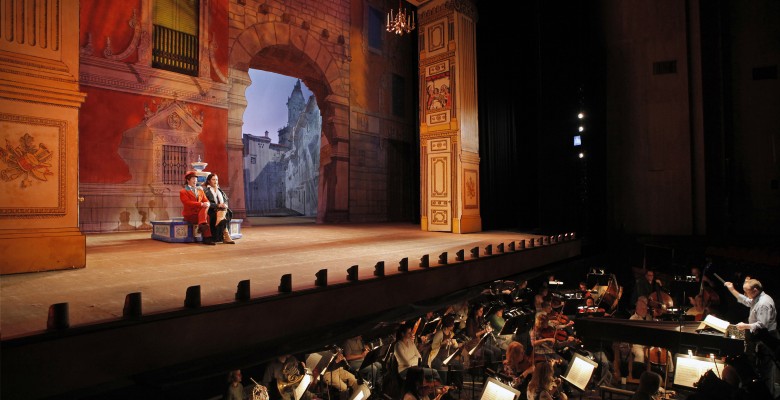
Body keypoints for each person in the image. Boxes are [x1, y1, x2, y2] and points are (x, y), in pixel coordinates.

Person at [725, 278, 779, 397]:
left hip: (767, 338)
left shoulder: (763, 303)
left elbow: (761, 325)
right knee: (759, 368)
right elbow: (746, 301)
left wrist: (745, 326)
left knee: (766, 370)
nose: (746, 294)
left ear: (755, 290)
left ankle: (767, 395)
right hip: (760, 337)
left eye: (747, 291)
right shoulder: (757, 298)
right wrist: (732, 289)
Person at [179, 171, 216, 245]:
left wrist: (207, 204)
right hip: (190, 214)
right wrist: (201, 204)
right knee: (206, 215)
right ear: (188, 180)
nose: (195, 181)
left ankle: (202, 226)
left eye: (196, 179)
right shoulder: (183, 191)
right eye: (193, 179)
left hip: (200, 214)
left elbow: (206, 201)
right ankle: (206, 237)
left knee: (207, 212)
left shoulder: (200, 191)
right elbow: (187, 203)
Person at [203, 173, 235, 244]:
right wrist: (217, 205)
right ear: (209, 181)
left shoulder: (220, 191)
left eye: (216, 180)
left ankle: (219, 222)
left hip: (222, 210)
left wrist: (225, 205)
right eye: (213, 179)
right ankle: (226, 236)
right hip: (212, 210)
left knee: (223, 212)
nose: (215, 181)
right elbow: (206, 203)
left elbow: (226, 201)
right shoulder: (205, 191)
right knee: (221, 216)